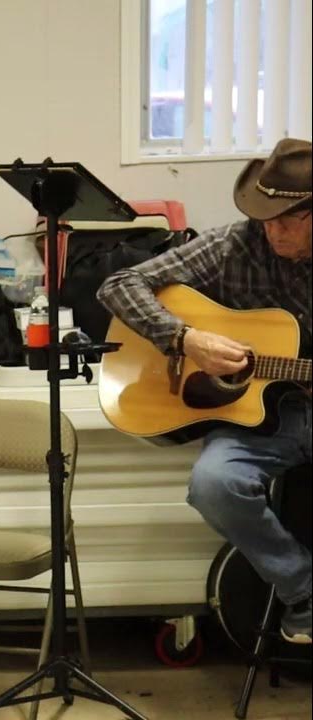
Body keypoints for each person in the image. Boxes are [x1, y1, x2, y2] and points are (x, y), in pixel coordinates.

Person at [98, 137, 312, 644]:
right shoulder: (236, 245)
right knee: (213, 485)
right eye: (264, 217)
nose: (271, 230)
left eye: (285, 221)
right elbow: (118, 285)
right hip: (261, 428)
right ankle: (303, 592)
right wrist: (185, 338)